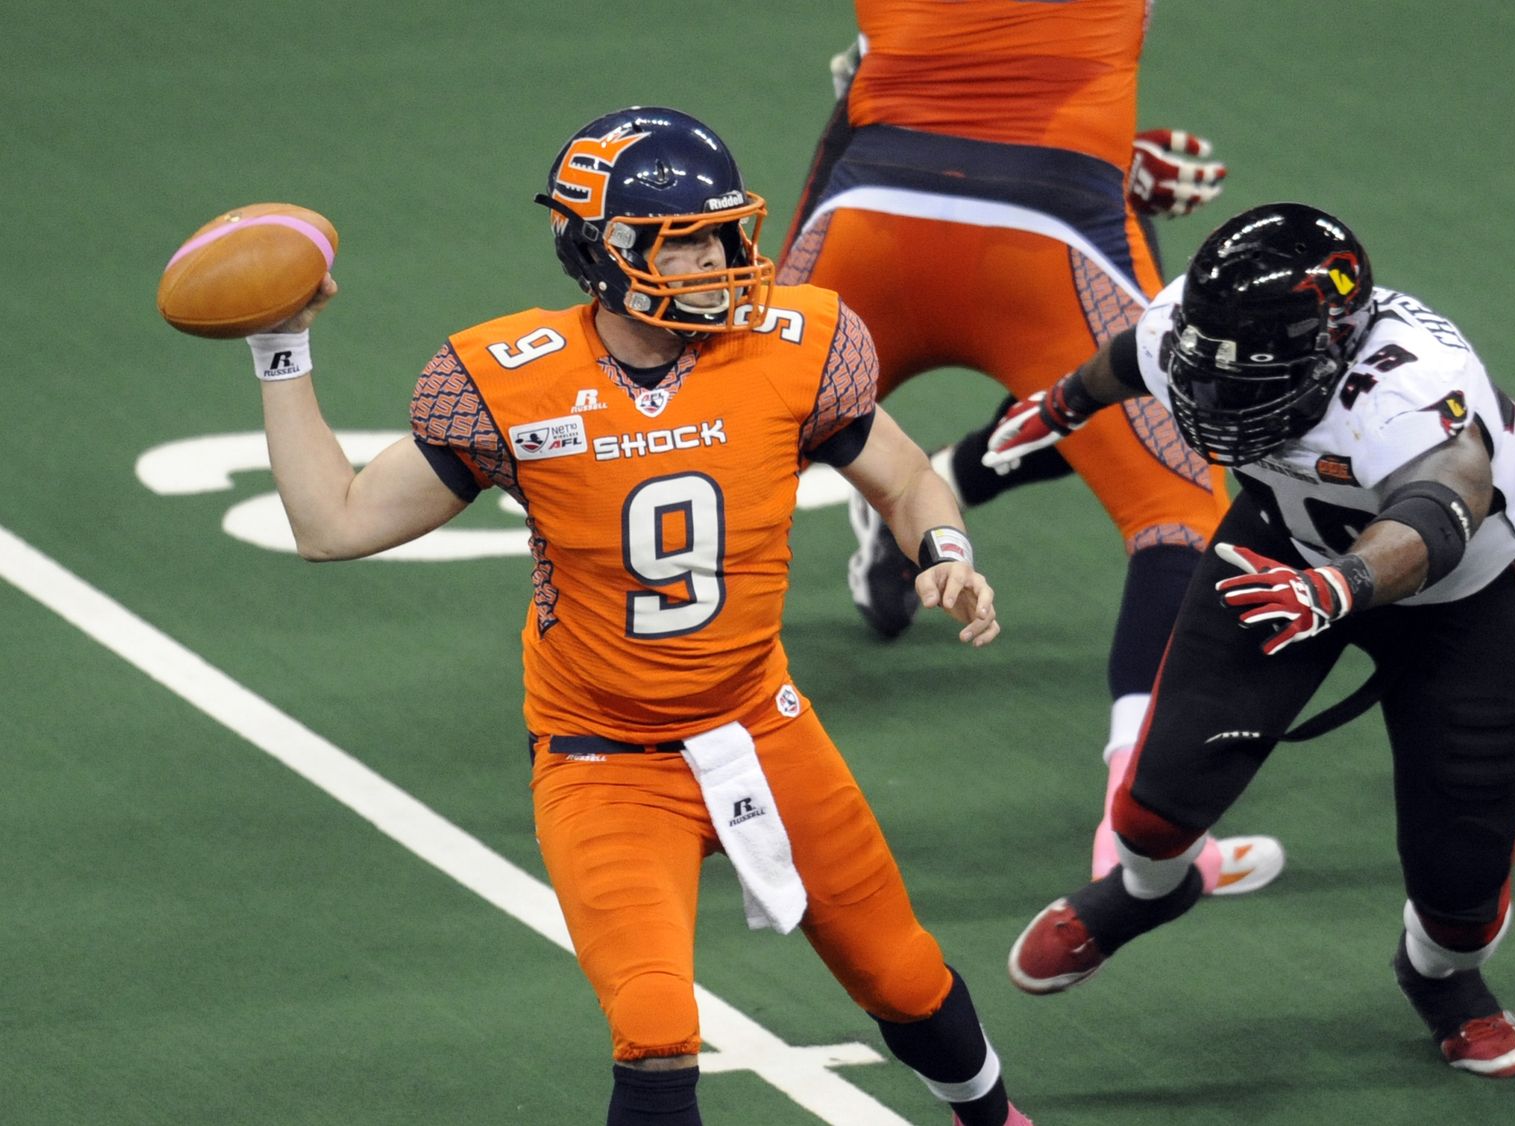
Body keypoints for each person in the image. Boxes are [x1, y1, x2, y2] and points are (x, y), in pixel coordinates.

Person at [229, 106, 1035, 1126]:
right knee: (654, 1027)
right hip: (604, 758)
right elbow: (332, 523)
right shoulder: (513, 381)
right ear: (598, 251)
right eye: (680, 241)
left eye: (722, 235)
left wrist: (946, 554)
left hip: (763, 723)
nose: (717, 261)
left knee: (902, 975)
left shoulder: (795, 345)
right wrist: (282, 348)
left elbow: (908, 477)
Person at [987, 202, 1515, 1078]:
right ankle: (1146, 894)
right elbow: (1133, 357)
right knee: (1152, 809)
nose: (1214, 399)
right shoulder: (1197, 329)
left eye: (1249, 380)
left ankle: (1443, 980)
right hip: (1279, 553)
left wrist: (1338, 587)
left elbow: (1444, 508)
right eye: (1206, 371)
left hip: (1450, 600)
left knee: (1461, 891)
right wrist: (1063, 404)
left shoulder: (1411, 385)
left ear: (1335, 348)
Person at [776, 0, 1281, 895]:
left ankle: (623, 740)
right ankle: (1137, 833)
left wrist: (779, 308)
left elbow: (867, 95)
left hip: (868, 222)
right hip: (1050, 240)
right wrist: (1109, 164)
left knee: (707, 450)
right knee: (1176, 514)